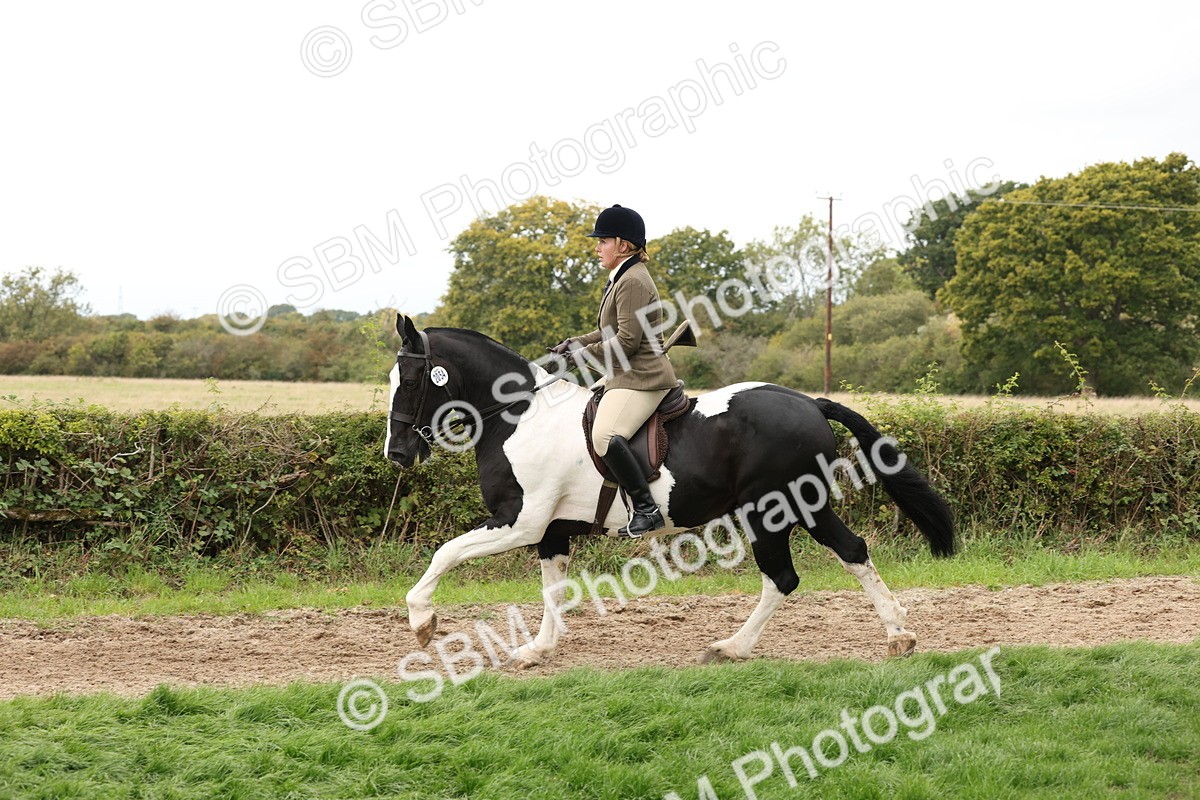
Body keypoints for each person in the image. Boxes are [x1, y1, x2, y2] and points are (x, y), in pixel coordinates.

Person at [549, 204, 678, 537]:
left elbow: (627, 341)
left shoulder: (633, 280)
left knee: (604, 436)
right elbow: (609, 331)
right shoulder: (623, 276)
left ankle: (646, 509)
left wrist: (581, 357)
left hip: (642, 376)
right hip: (626, 372)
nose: (597, 247)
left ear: (623, 245)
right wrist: (575, 343)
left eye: (603, 240)